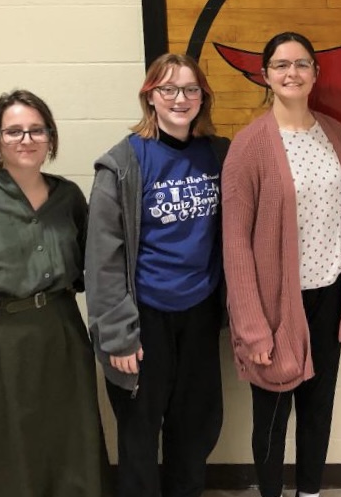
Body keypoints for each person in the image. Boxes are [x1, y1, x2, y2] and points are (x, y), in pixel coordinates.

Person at [222, 31, 341, 497]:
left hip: (330, 292)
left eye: (302, 64)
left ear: (315, 73)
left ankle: (309, 491)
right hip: (274, 304)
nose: (292, 73)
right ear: (265, 75)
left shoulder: (335, 133)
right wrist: (252, 327)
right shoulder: (249, 146)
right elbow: (234, 245)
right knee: (272, 415)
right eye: (281, 65)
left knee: (318, 407)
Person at [0, 90, 111, 497]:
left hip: (62, 331)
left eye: (37, 130)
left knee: (69, 442)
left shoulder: (68, 197)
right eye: (13, 131)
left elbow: (95, 267)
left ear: (50, 137)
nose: (26, 139)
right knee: (2, 446)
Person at [84, 54, 229, 497]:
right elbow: (102, 258)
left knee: (195, 425)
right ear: (150, 97)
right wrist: (118, 335)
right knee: (139, 435)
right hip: (143, 316)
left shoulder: (220, 154)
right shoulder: (123, 162)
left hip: (200, 313)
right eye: (168, 89)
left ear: (203, 97)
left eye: (190, 89)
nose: (180, 99)